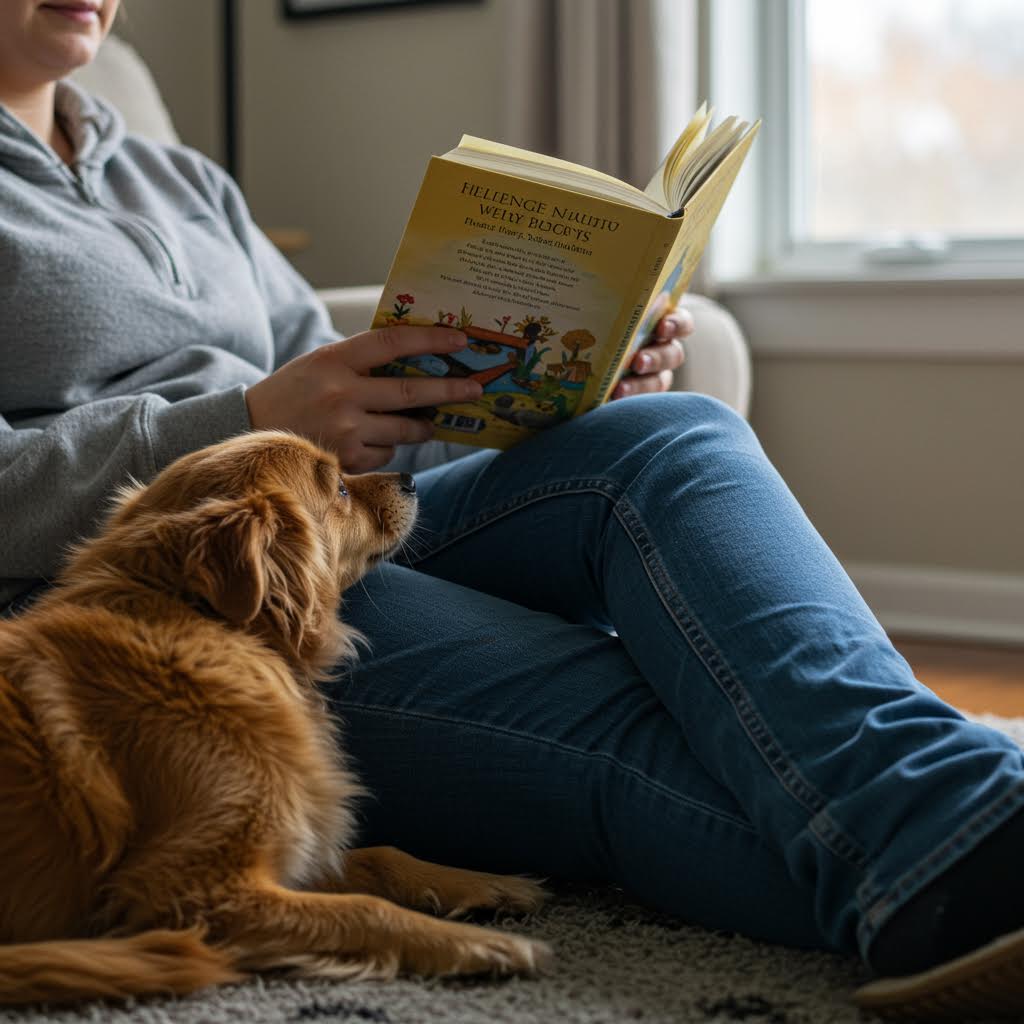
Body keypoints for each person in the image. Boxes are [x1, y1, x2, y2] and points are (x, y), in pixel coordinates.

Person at [2, 1, 1023, 1018]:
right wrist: (244, 416)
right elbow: (277, 408)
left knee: (674, 439)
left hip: (329, 522)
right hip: (171, 614)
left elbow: (347, 402)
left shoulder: (180, 179)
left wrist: (556, 390)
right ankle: (960, 864)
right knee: (631, 700)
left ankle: (959, 823)